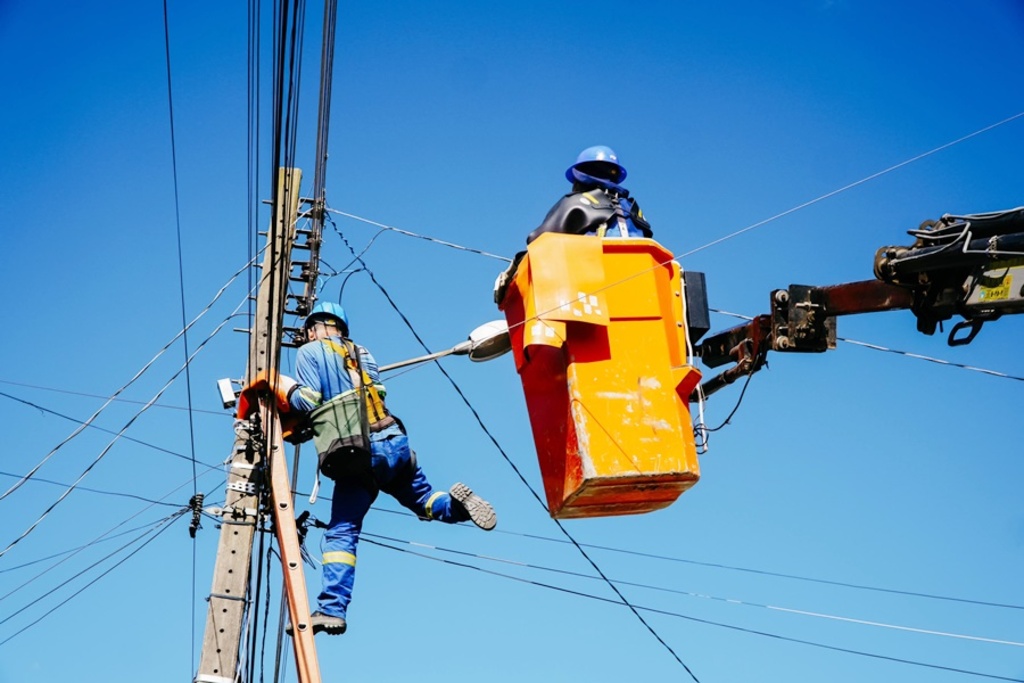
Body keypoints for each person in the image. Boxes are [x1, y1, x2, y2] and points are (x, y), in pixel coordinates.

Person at [261, 301, 497, 636]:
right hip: (393, 440)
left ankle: (332, 610)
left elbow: (310, 401)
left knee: (342, 532)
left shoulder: (309, 352)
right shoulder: (362, 352)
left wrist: (285, 389)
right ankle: (458, 507)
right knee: (426, 501)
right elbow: (377, 391)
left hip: (355, 454)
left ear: (315, 327)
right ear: (341, 327)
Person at [526, 145, 653, 244]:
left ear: (580, 176)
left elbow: (536, 240)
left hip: (591, 273)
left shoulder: (575, 202)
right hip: (640, 275)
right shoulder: (633, 209)